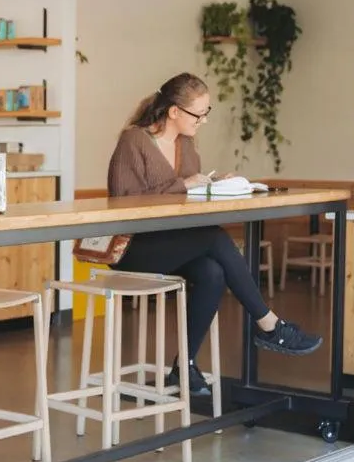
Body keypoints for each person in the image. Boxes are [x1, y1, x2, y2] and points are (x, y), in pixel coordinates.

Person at [106, 72, 322, 395]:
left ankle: (184, 367)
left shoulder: (186, 145)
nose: (203, 121)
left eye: (207, 112)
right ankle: (269, 324)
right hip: (134, 248)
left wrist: (215, 182)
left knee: (212, 272)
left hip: (170, 243)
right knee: (214, 238)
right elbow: (124, 202)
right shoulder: (133, 141)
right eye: (199, 114)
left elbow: (183, 195)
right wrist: (184, 184)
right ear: (174, 112)